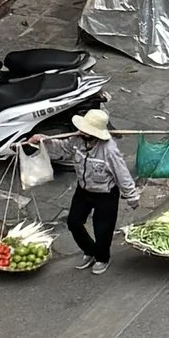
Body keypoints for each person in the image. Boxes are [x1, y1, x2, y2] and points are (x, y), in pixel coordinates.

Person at [45, 102, 137, 272]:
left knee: (102, 229)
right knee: (74, 222)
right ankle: (90, 250)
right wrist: (42, 142)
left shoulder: (109, 150)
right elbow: (61, 148)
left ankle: (102, 258)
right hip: (83, 190)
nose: (82, 132)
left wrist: (131, 196)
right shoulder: (77, 140)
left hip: (106, 194)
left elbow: (121, 173)